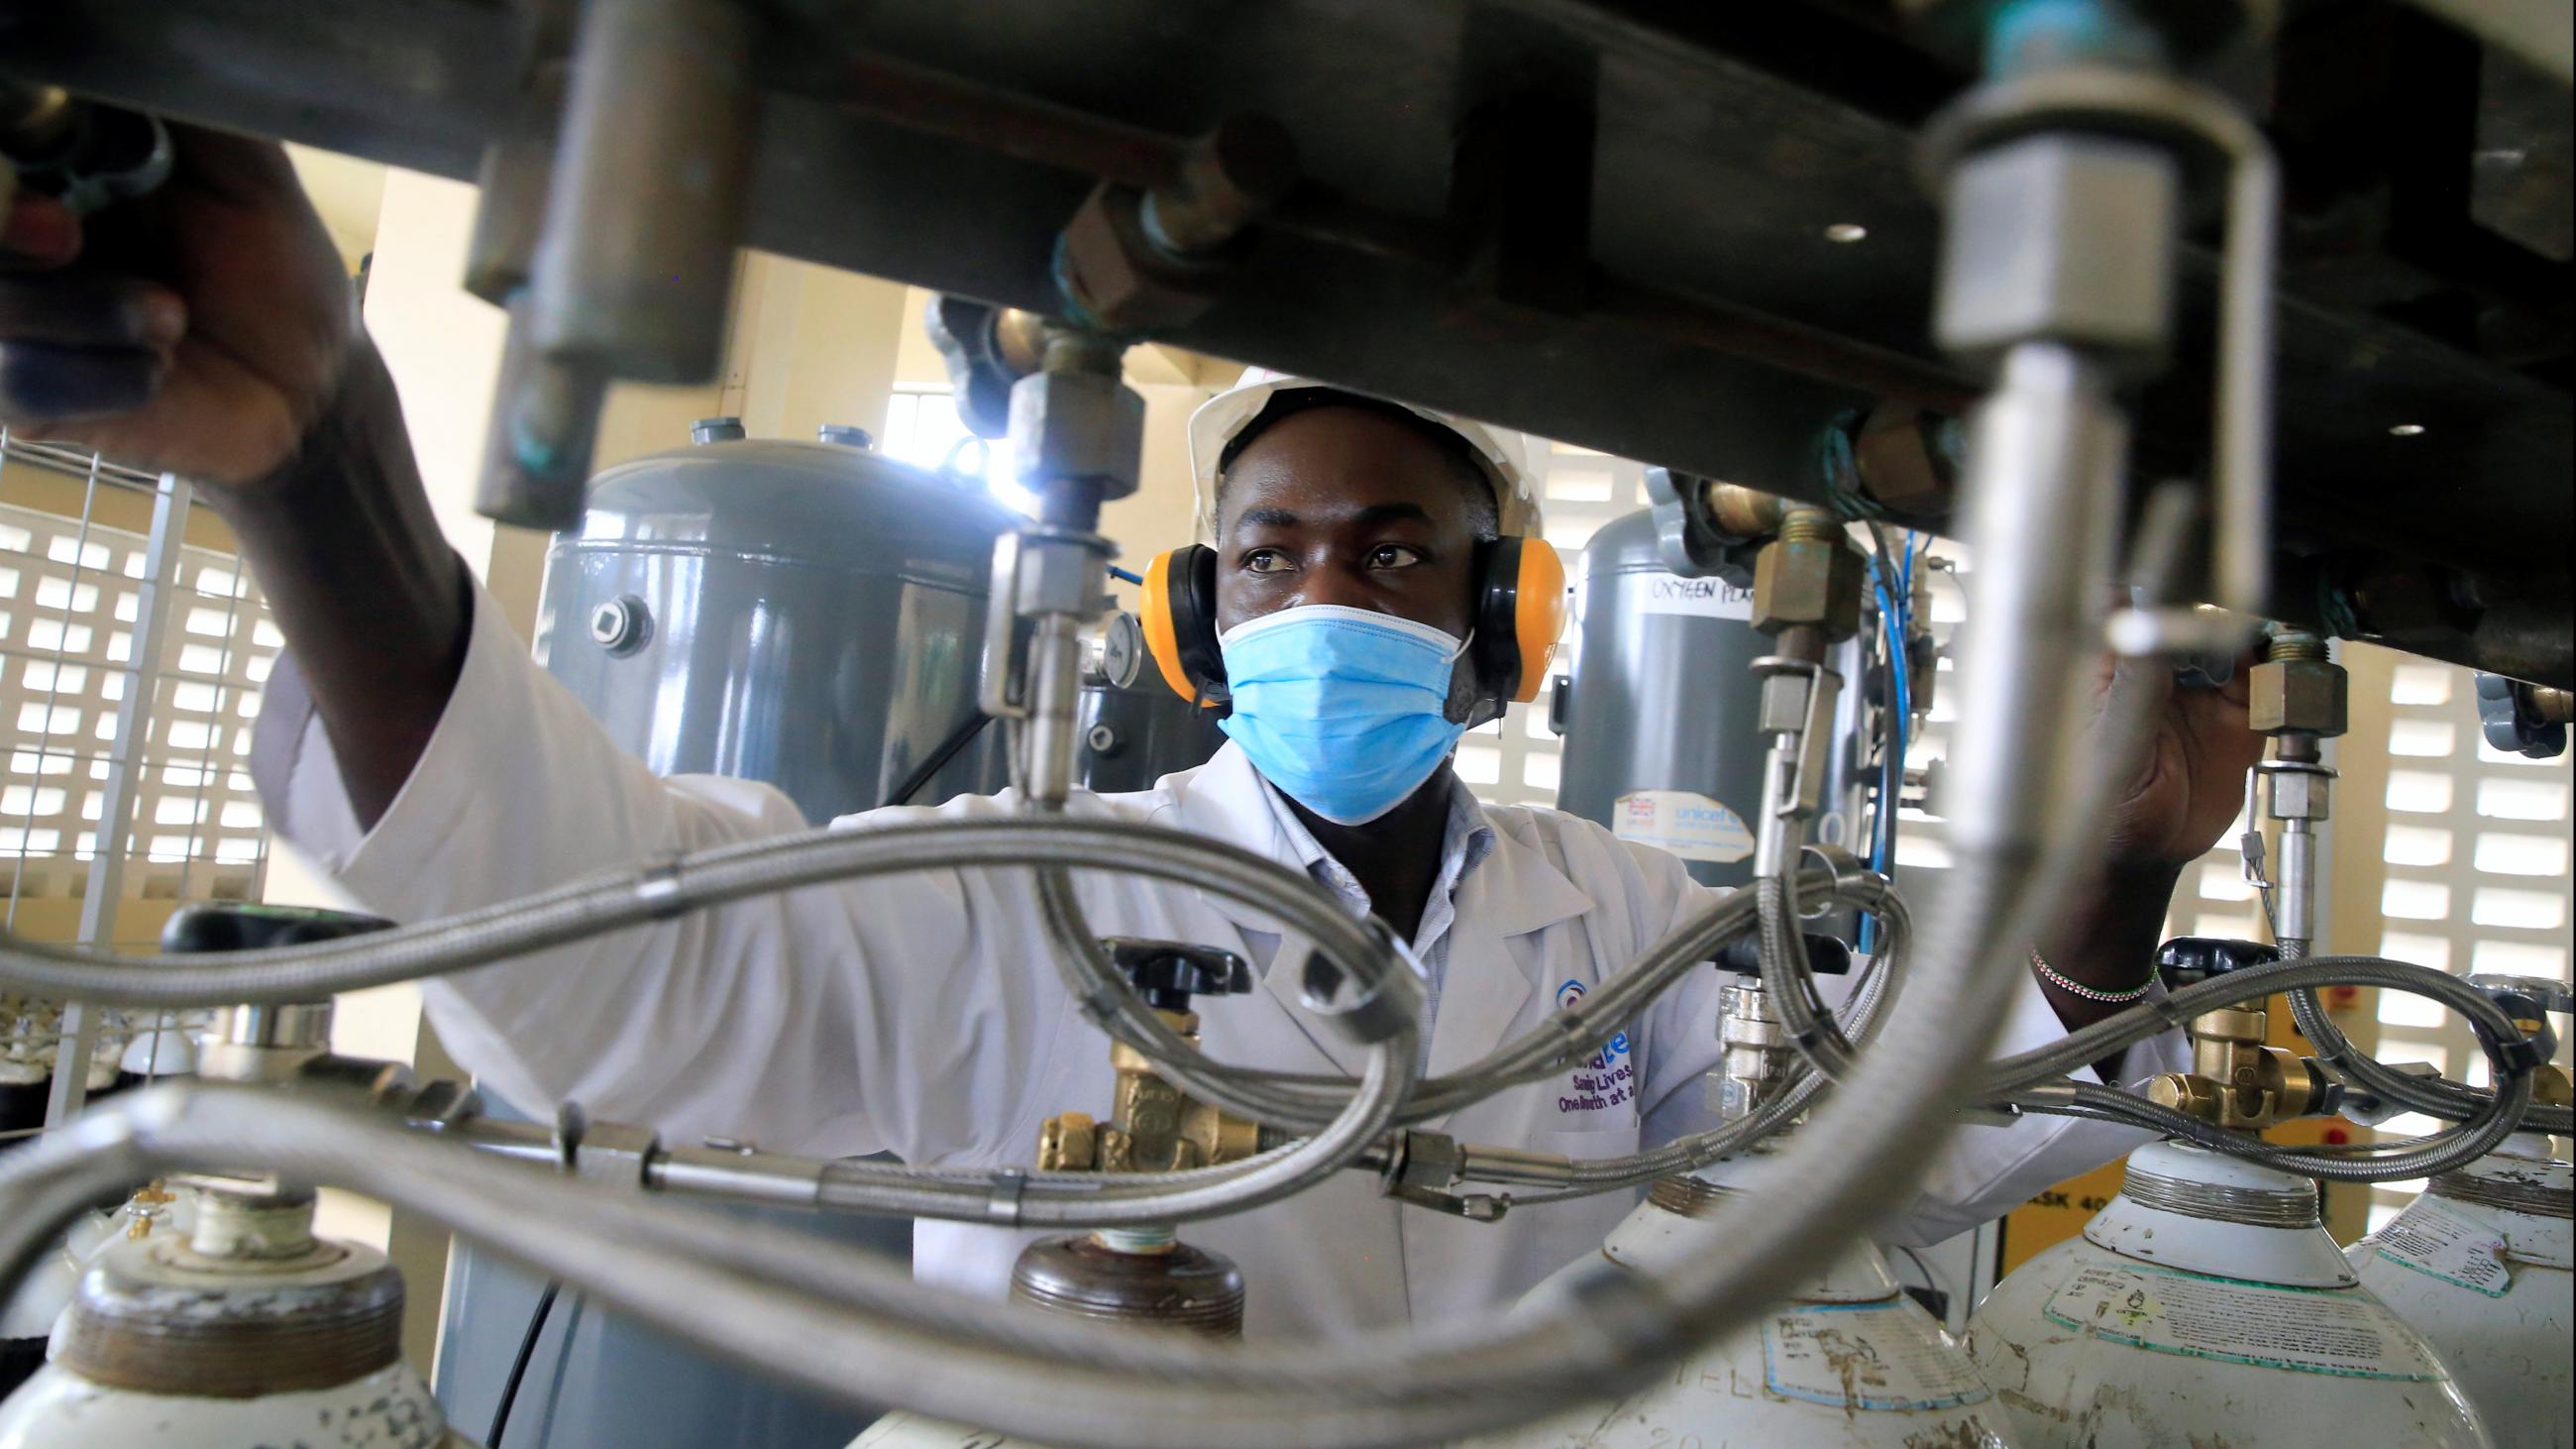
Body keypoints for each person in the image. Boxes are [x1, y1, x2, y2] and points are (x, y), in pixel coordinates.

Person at [0, 131, 2263, 1336]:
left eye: (1395, 554)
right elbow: (620, 964)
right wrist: (326, 467)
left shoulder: (1633, 915)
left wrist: (2113, 870)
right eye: (1271, 555)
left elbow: (1900, 1145)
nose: (1325, 594)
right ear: (1189, 611)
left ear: (1496, 627)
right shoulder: (1035, 890)